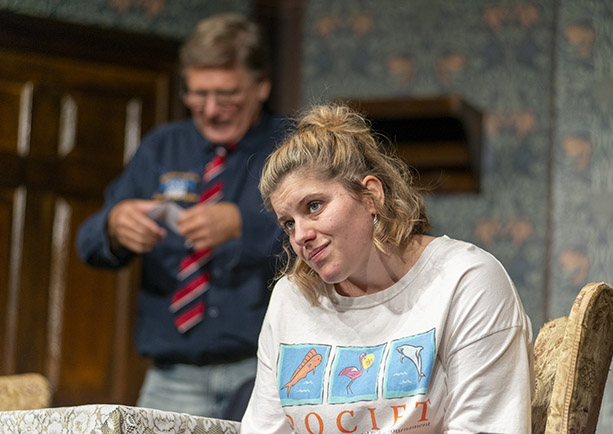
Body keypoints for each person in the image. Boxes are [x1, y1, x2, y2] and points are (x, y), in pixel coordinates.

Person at [240, 104, 533, 433]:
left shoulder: (465, 280)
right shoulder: (291, 298)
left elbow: (486, 427)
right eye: (289, 223)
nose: (300, 236)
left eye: (314, 206)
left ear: (371, 196)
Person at [75, 13, 287, 419]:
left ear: (261, 85)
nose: (211, 109)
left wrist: (242, 225)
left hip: (267, 370)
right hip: (172, 377)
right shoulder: (162, 146)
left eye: (226, 95)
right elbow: (88, 242)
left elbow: (334, 237)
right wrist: (114, 226)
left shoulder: (292, 144)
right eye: (197, 94)